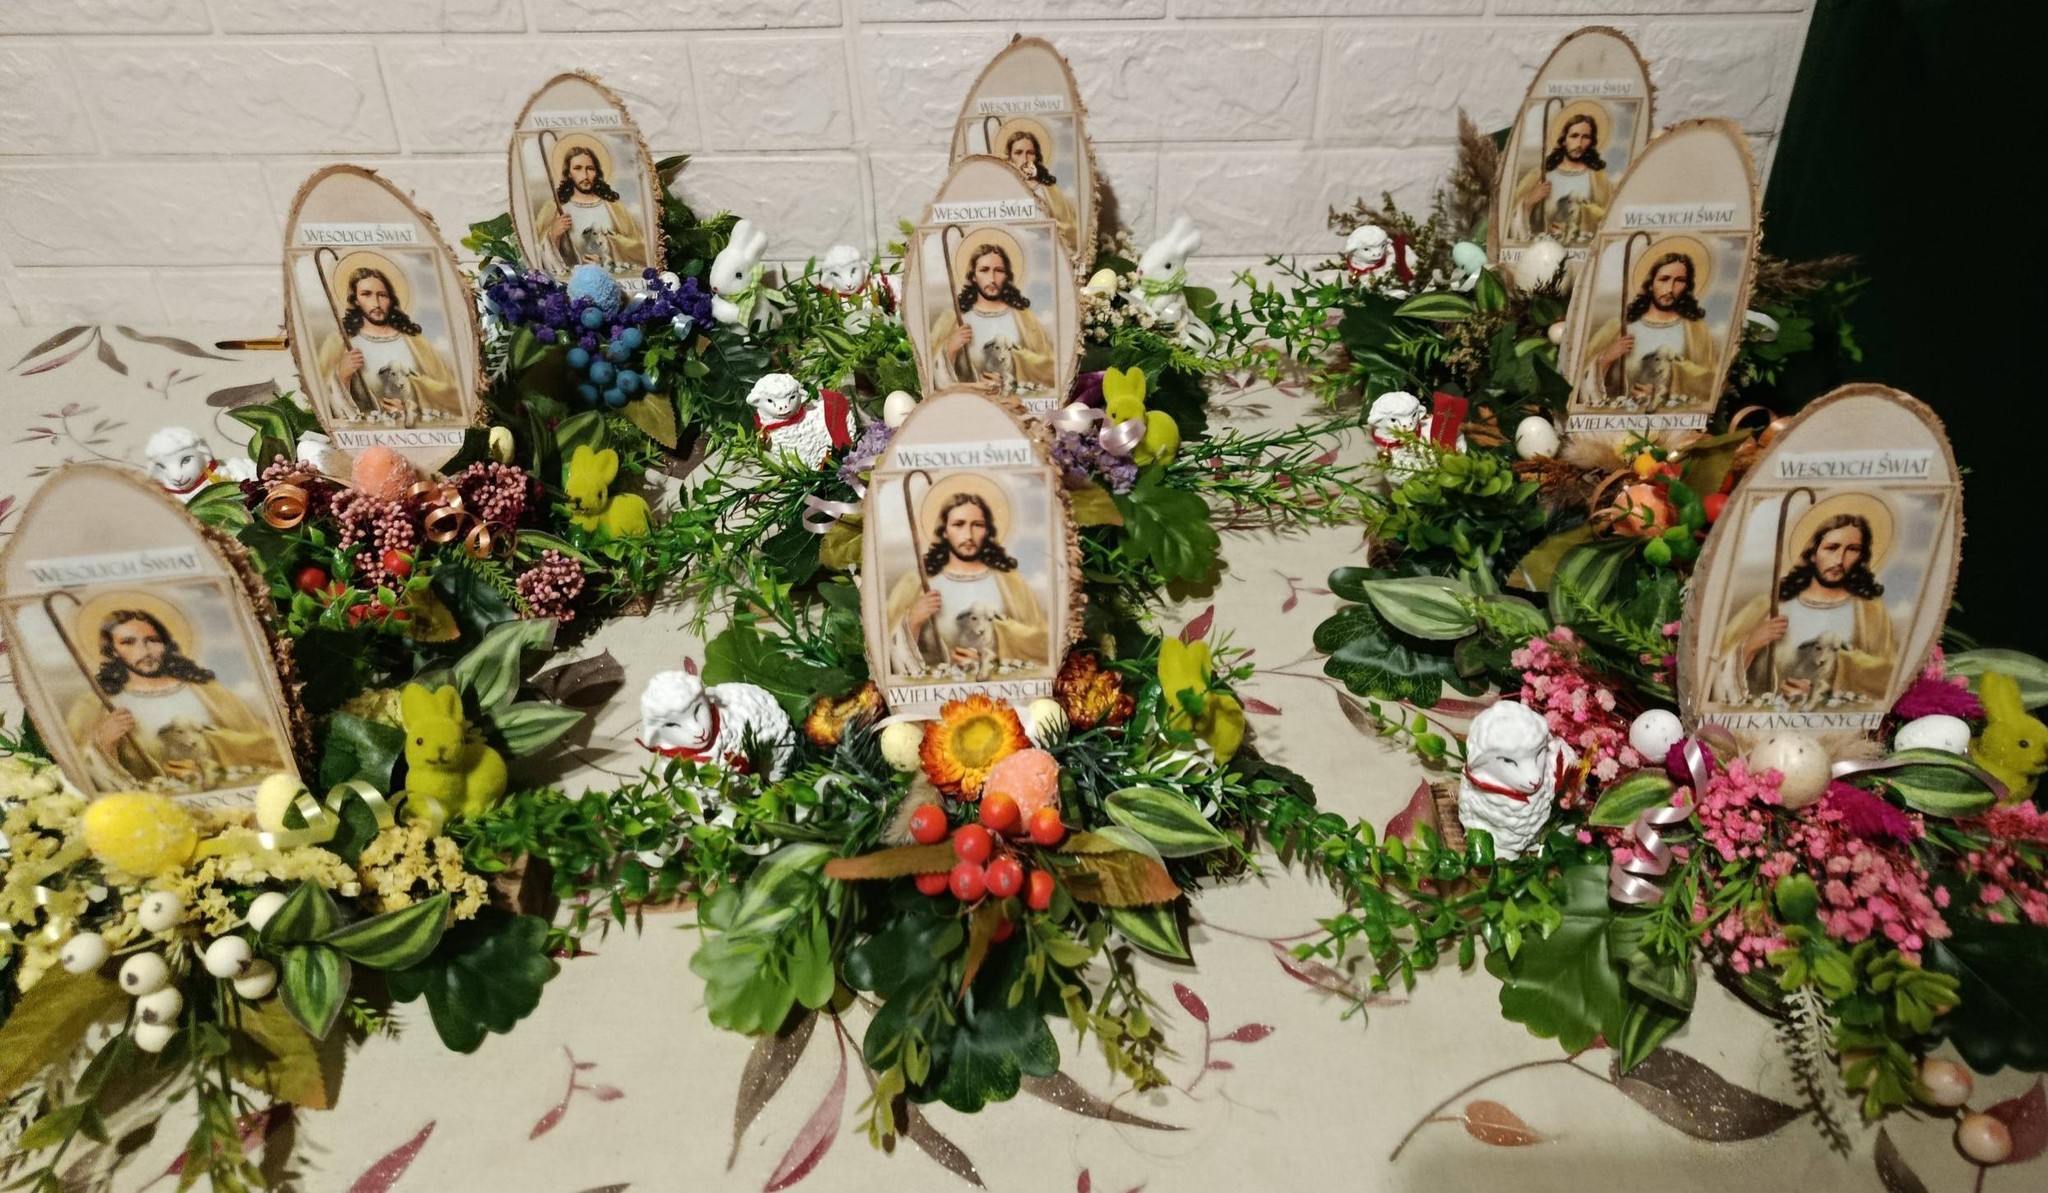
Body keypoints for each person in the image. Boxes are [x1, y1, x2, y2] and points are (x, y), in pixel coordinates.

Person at [63, 601, 285, 792]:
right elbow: (72, 769)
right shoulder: (95, 704)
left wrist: (210, 766)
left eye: (152, 640)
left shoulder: (208, 692)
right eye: (128, 642)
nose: (145, 651)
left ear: (165, 644)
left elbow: (263, 748)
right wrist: (103, 743)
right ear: (112, 650)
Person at [1712, 501, 1896, 707]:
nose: (1839, 559)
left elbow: (1885, 678)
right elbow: (1710, 675)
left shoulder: (1869, 610)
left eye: (1852, 549)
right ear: (1813, 553)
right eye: (1831, 548)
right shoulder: (1768, 607)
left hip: (1840, 723)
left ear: (1861, 556)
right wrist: (1749, 645)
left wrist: (1822, 693)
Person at [885, 487, 1049, 675]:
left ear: (987, 530)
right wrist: (913, 621)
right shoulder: (916, 583)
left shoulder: (1009, 582)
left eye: (977, 525)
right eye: (958, 524)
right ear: (944, 531)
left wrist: (988, 663)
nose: (969, 535)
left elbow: (1040, 646)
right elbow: (882, 653)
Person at [312, 262, 461, 425]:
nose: (376, 303)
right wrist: (341, 376)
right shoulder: (339, 343)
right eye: (366, 294)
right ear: (355, 300)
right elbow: (317, 401)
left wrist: (410, 411)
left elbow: (448, 396)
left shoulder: (416, 343)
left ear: (390, 299)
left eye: (382, 295)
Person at [1580, 247, 1718, 408]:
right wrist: (1605, 359)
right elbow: (1578, 383)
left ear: (1687, 286)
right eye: (1664, 279)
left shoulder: (1695, 330)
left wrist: (1662, 393)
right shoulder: (1618, 327)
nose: (1670, 289)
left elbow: (1710, 384)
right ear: (1651, 283)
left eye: (1679, 280)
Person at [927, 240, 1055, 394]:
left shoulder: (1024, 318)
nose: (992, 279)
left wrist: (1010, 379)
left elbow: (1047, 369)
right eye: (984, 270)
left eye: (999, 270)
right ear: (973, 276)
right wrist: (950, 350)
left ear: (1006, 275)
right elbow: (929, 377)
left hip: (1016, 402)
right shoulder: (953, 319)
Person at [533, 140, 645, 275]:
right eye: (577, 168)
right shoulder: (554, 209)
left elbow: (638, 250)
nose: (585, 176)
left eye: (590, 169)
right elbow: (533, 255)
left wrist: (606, 260)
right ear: (568, 173)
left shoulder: (614, 208)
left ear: (597, 172)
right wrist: (553, 235)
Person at [1509, 107, 1612, 244]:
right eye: (1574, 136)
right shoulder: (1539, 176)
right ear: (1564, 140)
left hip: (1583, 250)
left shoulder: (1599, 180)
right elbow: (1508, 221)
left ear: (1591, 142)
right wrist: (1529, 202)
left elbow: (1609, 219)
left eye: (1586, 137)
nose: (1579, 143)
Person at [1003, 125, 1078, 255]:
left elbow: (1069, 228)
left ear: (1036, 157)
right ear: (1009, 157)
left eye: (1030, 153)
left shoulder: (1048, 190)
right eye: (1018, 153)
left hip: (1047, 250)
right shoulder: (1004, 189)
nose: (1025, 159)